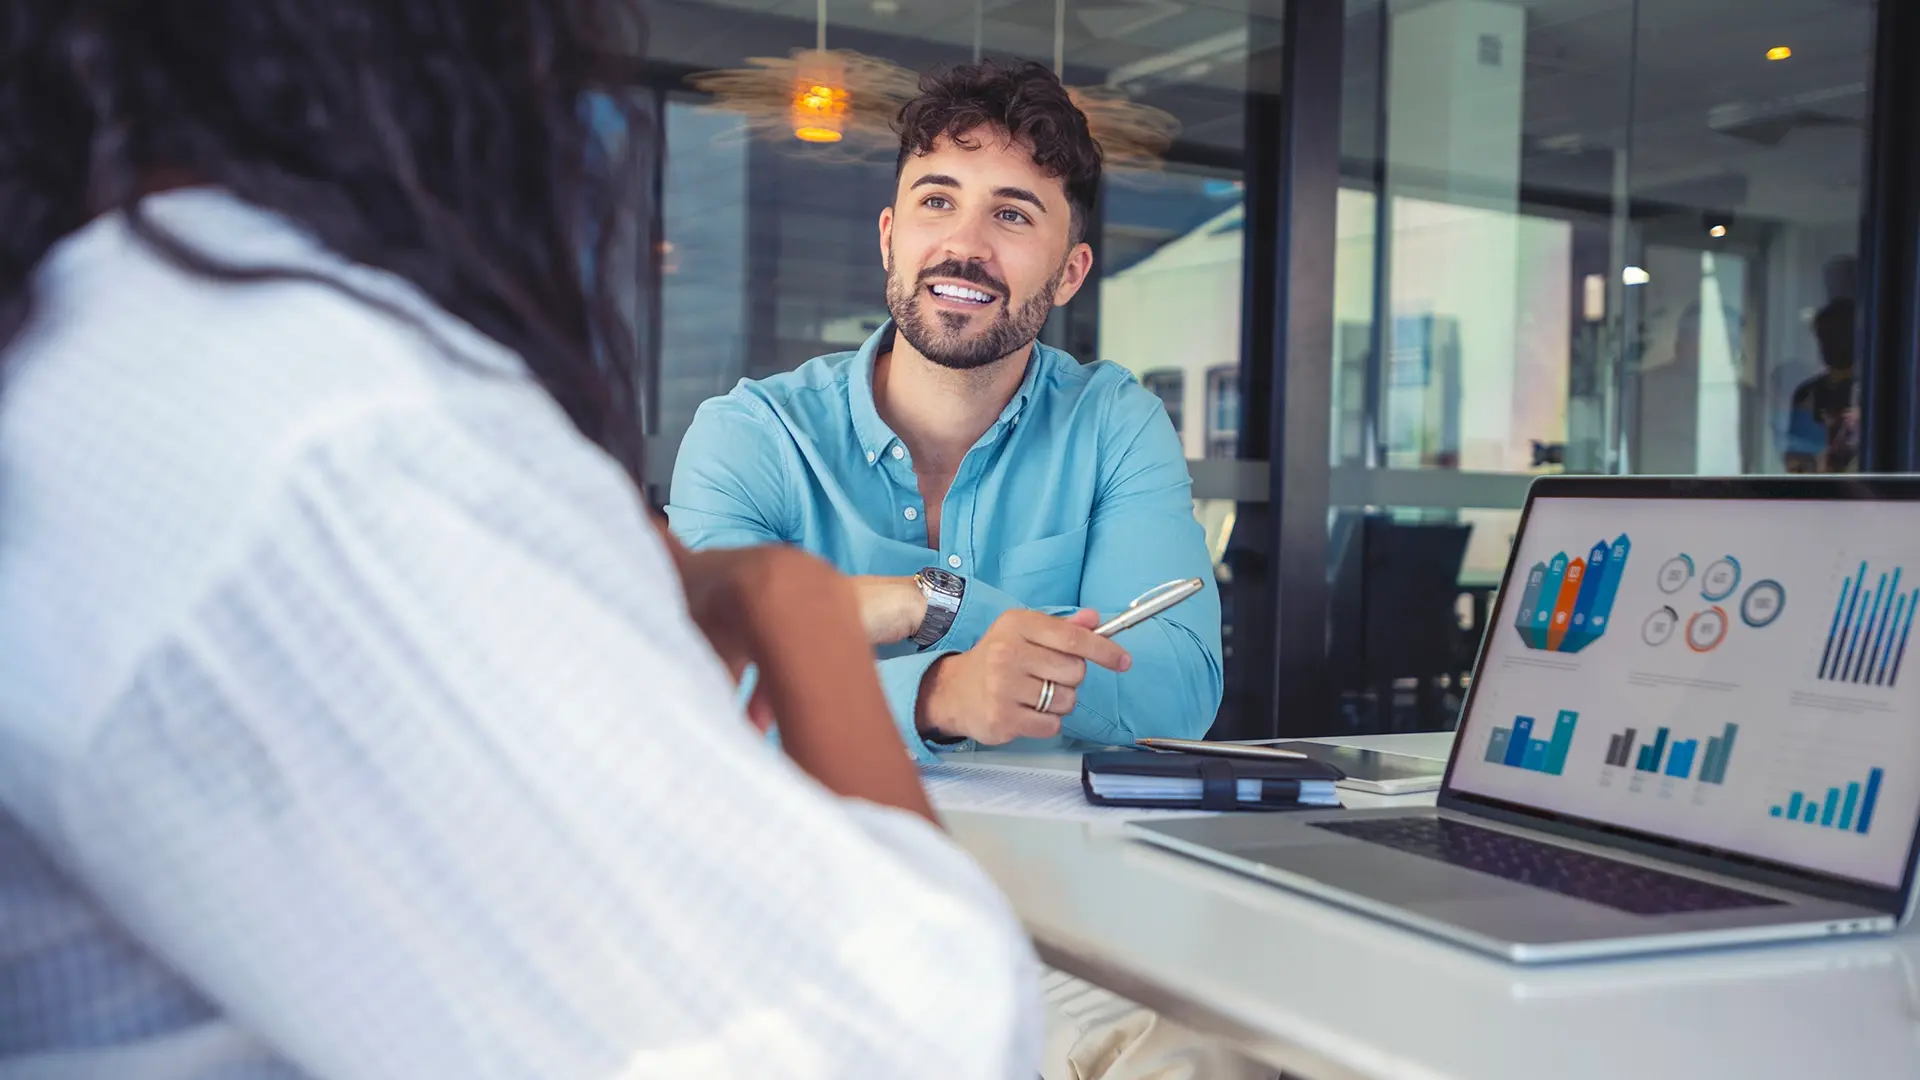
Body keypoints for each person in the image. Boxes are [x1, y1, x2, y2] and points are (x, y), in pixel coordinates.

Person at [0, 3, 1042, 1077]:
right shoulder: (330, 431)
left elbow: (1163, 683)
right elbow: (909, 1040)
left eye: (1015, 214)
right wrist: (803, 611)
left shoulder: (100, 338)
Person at [669, 60, 1224, 758]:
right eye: (937, 201)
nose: (964, 246)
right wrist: (937, 690)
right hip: (811, 854)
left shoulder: (1115, 426)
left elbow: (1174, 695)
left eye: (1013, 214)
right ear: (887, 239)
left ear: (1070, 274)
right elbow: (692, 682)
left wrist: (938, 605)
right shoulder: (753, 437)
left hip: (1059, 863)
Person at [1784, 298, 1858, 474]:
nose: (1827, 344)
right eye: (1824, 336)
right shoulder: (1806, 395)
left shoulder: (1870, 393)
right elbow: (1796, 458)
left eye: (1836, 335)